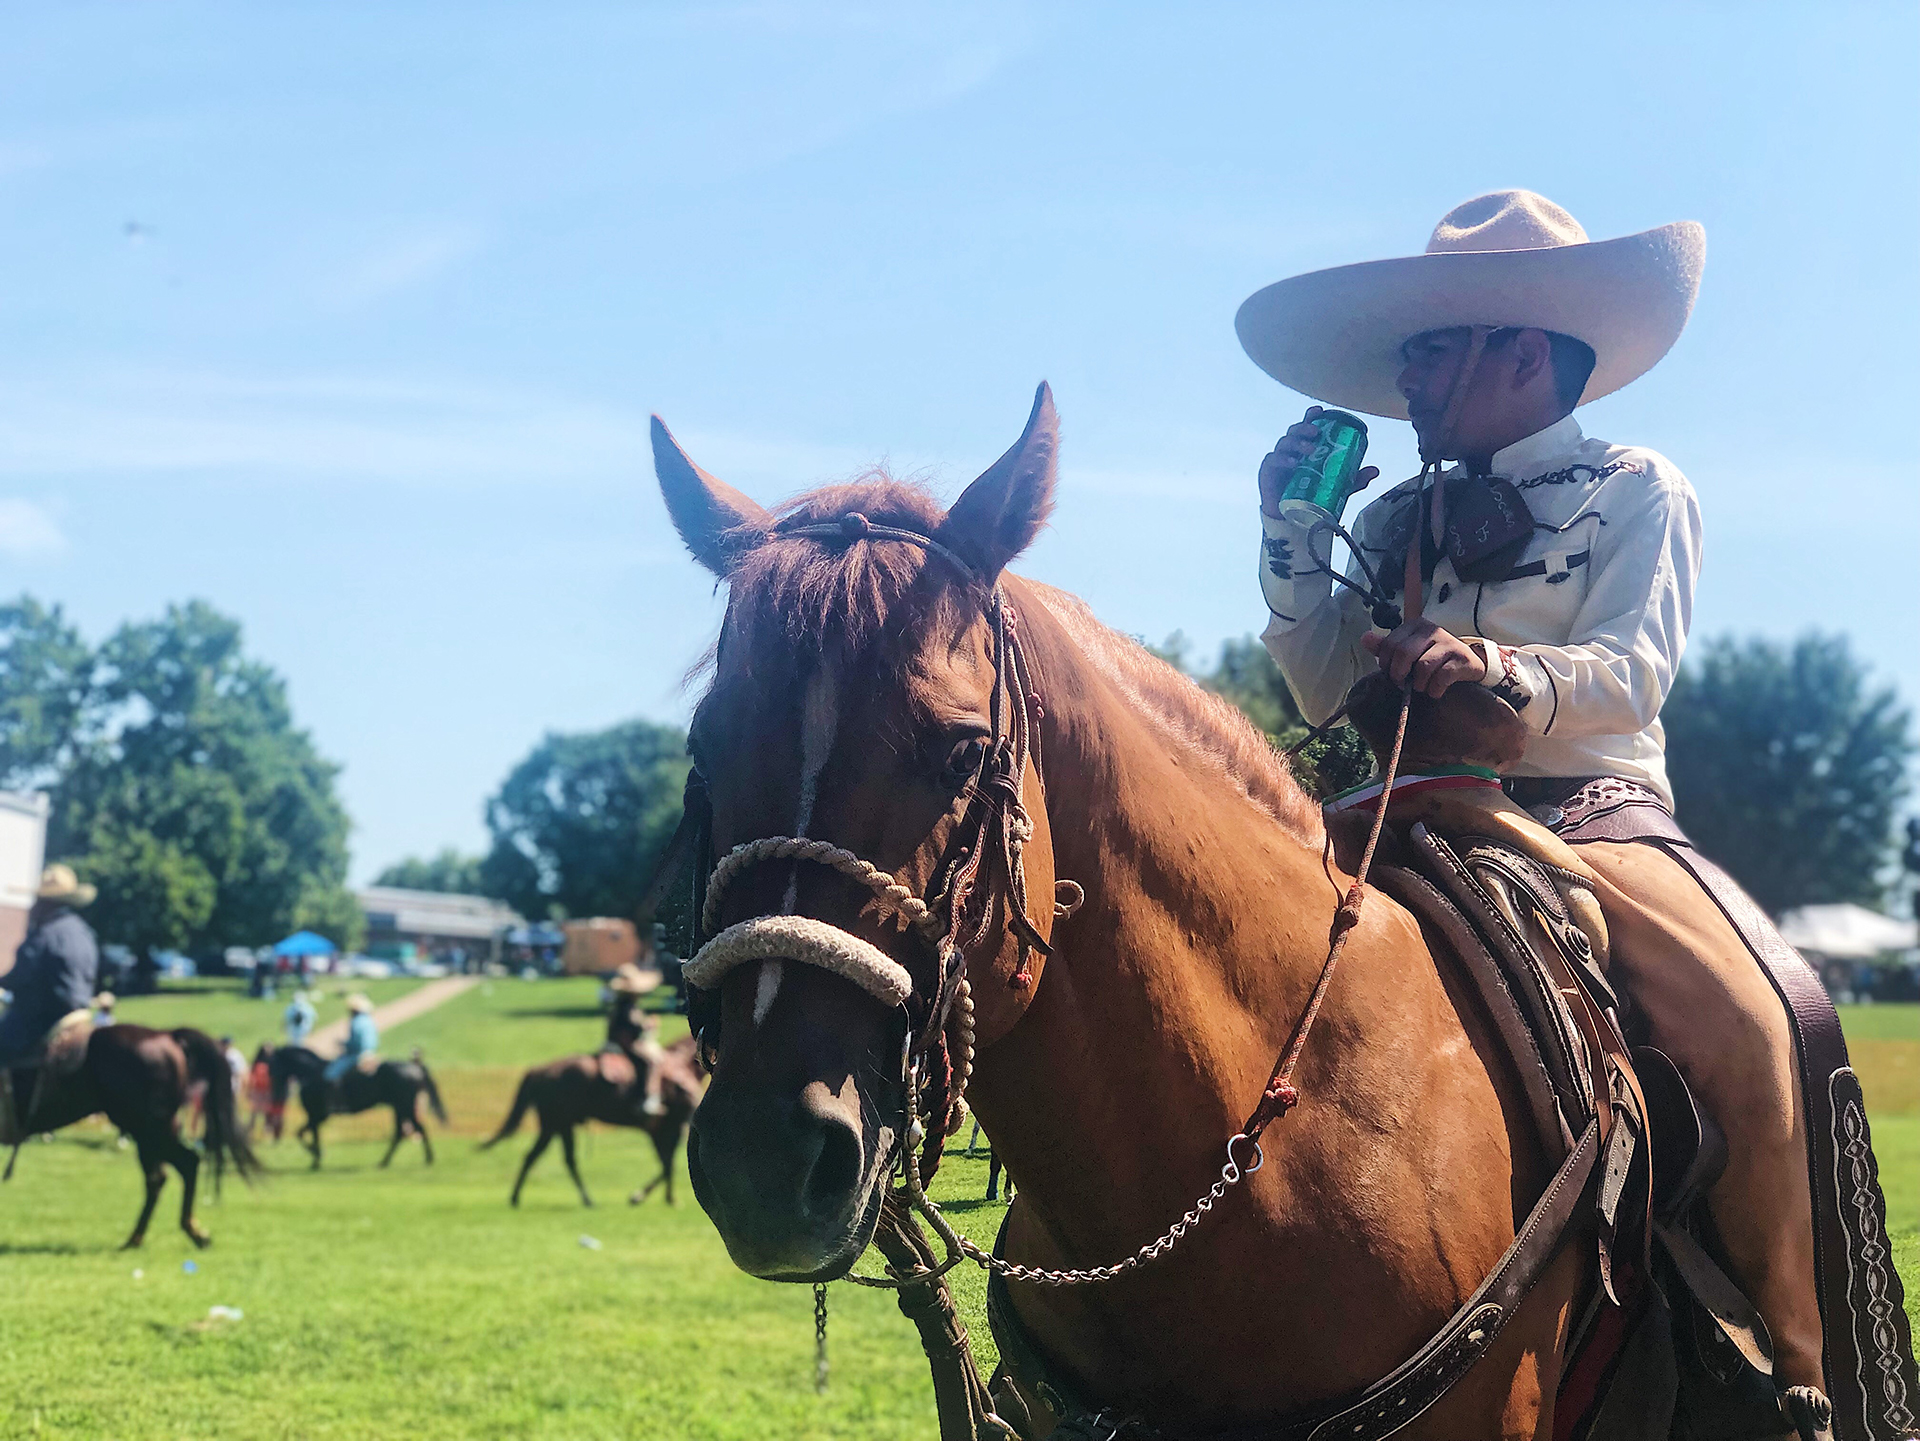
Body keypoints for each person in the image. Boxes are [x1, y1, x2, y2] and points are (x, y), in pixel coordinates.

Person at [1238, 190, 1903, 1435]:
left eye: (1430, 348)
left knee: (1764, 1017)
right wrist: (1293, 533)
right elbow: (1320, 678)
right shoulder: (1387, 518)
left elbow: (1635, 672)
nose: (1407, 375)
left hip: (1588, 810)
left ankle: (1798, 1365)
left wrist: (1500, 674)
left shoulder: (1637, 488)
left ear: (1522, 351)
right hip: (1396, 809)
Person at [0, 866, 102, 1139]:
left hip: (43, 1016)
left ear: (46, 902)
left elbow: (21, 975)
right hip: (79, 1014)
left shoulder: (44, 934)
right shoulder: (83, 932)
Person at [603, 963, 666, 1117]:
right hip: (624, 1044)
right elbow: (631, 1028)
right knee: (651, 1062)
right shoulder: (627, 1008)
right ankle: (648, 1098)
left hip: (620, 1041)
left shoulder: (624, 1006)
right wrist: (646, 1026)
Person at [322, 993, 377, 1087]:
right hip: (370, 1053)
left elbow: (356, 1043)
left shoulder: (356, 1022)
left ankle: (337, 1098)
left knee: (330, 1074)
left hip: (358, 1055)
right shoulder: (368, 1020)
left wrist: (344, 1044)